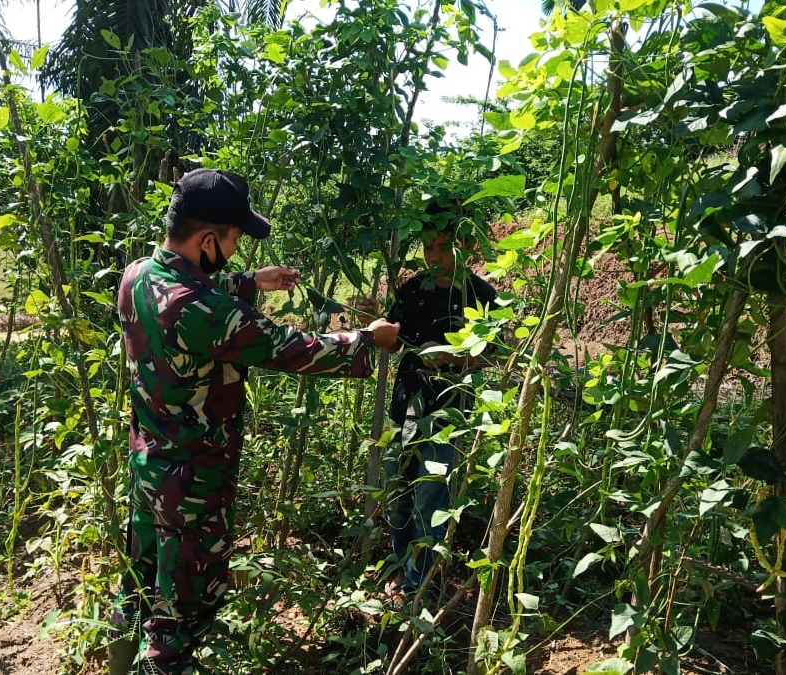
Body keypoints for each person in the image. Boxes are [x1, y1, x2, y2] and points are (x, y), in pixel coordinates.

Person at [108, 168, 400, 675]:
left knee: (139, 585)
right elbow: (295, 349)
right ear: (206, 239)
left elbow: (187, 291)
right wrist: (369, 339)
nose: (236, 251)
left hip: (148, 470)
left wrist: (250, 280)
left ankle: (113, 660)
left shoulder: (137, 275)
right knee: (179, 618)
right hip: (194, 487)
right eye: (233, 241)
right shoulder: (210, 312)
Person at [383, 200, 498, 596]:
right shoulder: (414, 289)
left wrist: (458, 355)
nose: (434, 256)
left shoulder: (480, 293)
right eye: (428, 247)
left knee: (430, 497)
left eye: (443, 247)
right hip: (405, 404)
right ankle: (400, 567)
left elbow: (498, 352)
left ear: (467, 247)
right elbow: (395, 344)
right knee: (396, 489)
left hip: (449, 413)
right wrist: (375, 326)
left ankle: (420, 583)